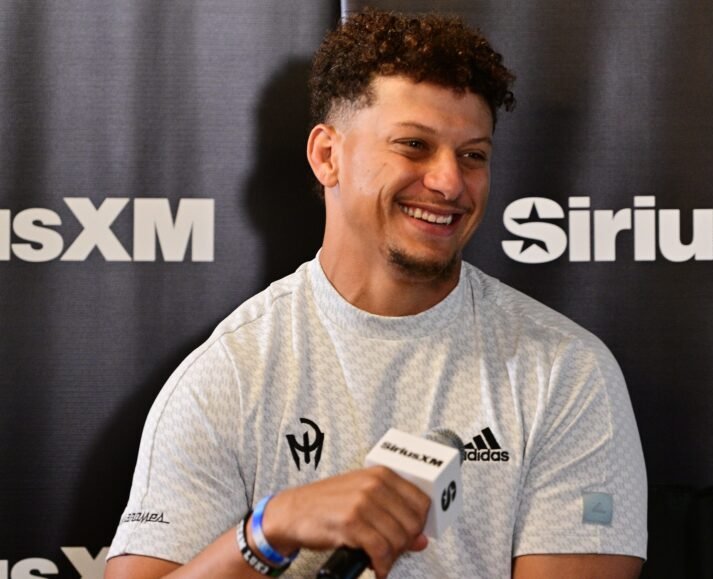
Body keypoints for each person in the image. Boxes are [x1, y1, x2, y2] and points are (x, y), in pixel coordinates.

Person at [105, 8, 647, 579]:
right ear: (326, 156)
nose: (449, 182)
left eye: (473, 155)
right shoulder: (232, 371)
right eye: (414, 145)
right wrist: (271, 529)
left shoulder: (566, 371)